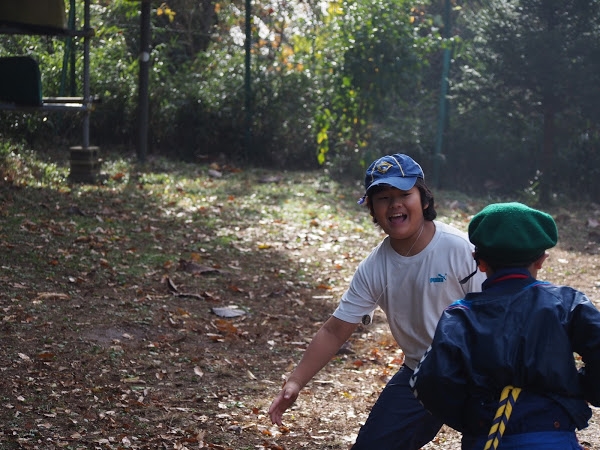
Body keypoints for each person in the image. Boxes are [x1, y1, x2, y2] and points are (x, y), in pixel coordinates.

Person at [268, 153, 486, 449]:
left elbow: (495, 313)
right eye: (383, 197)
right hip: (420, 372)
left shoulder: (459, 249)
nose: (394, 203)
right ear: (372, 209)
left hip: (478, 372)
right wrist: (295, 382)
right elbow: (334, 331)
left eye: (404, 194)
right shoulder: (375, 266)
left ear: (423, 200)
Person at [410, 202, 600, 449]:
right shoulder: (566, 303)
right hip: (553, 437)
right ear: (541, 259)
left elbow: (431, 382)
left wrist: (474, 419)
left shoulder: (460, 316)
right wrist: (581, 388)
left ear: (479, 262)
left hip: (486, 439)